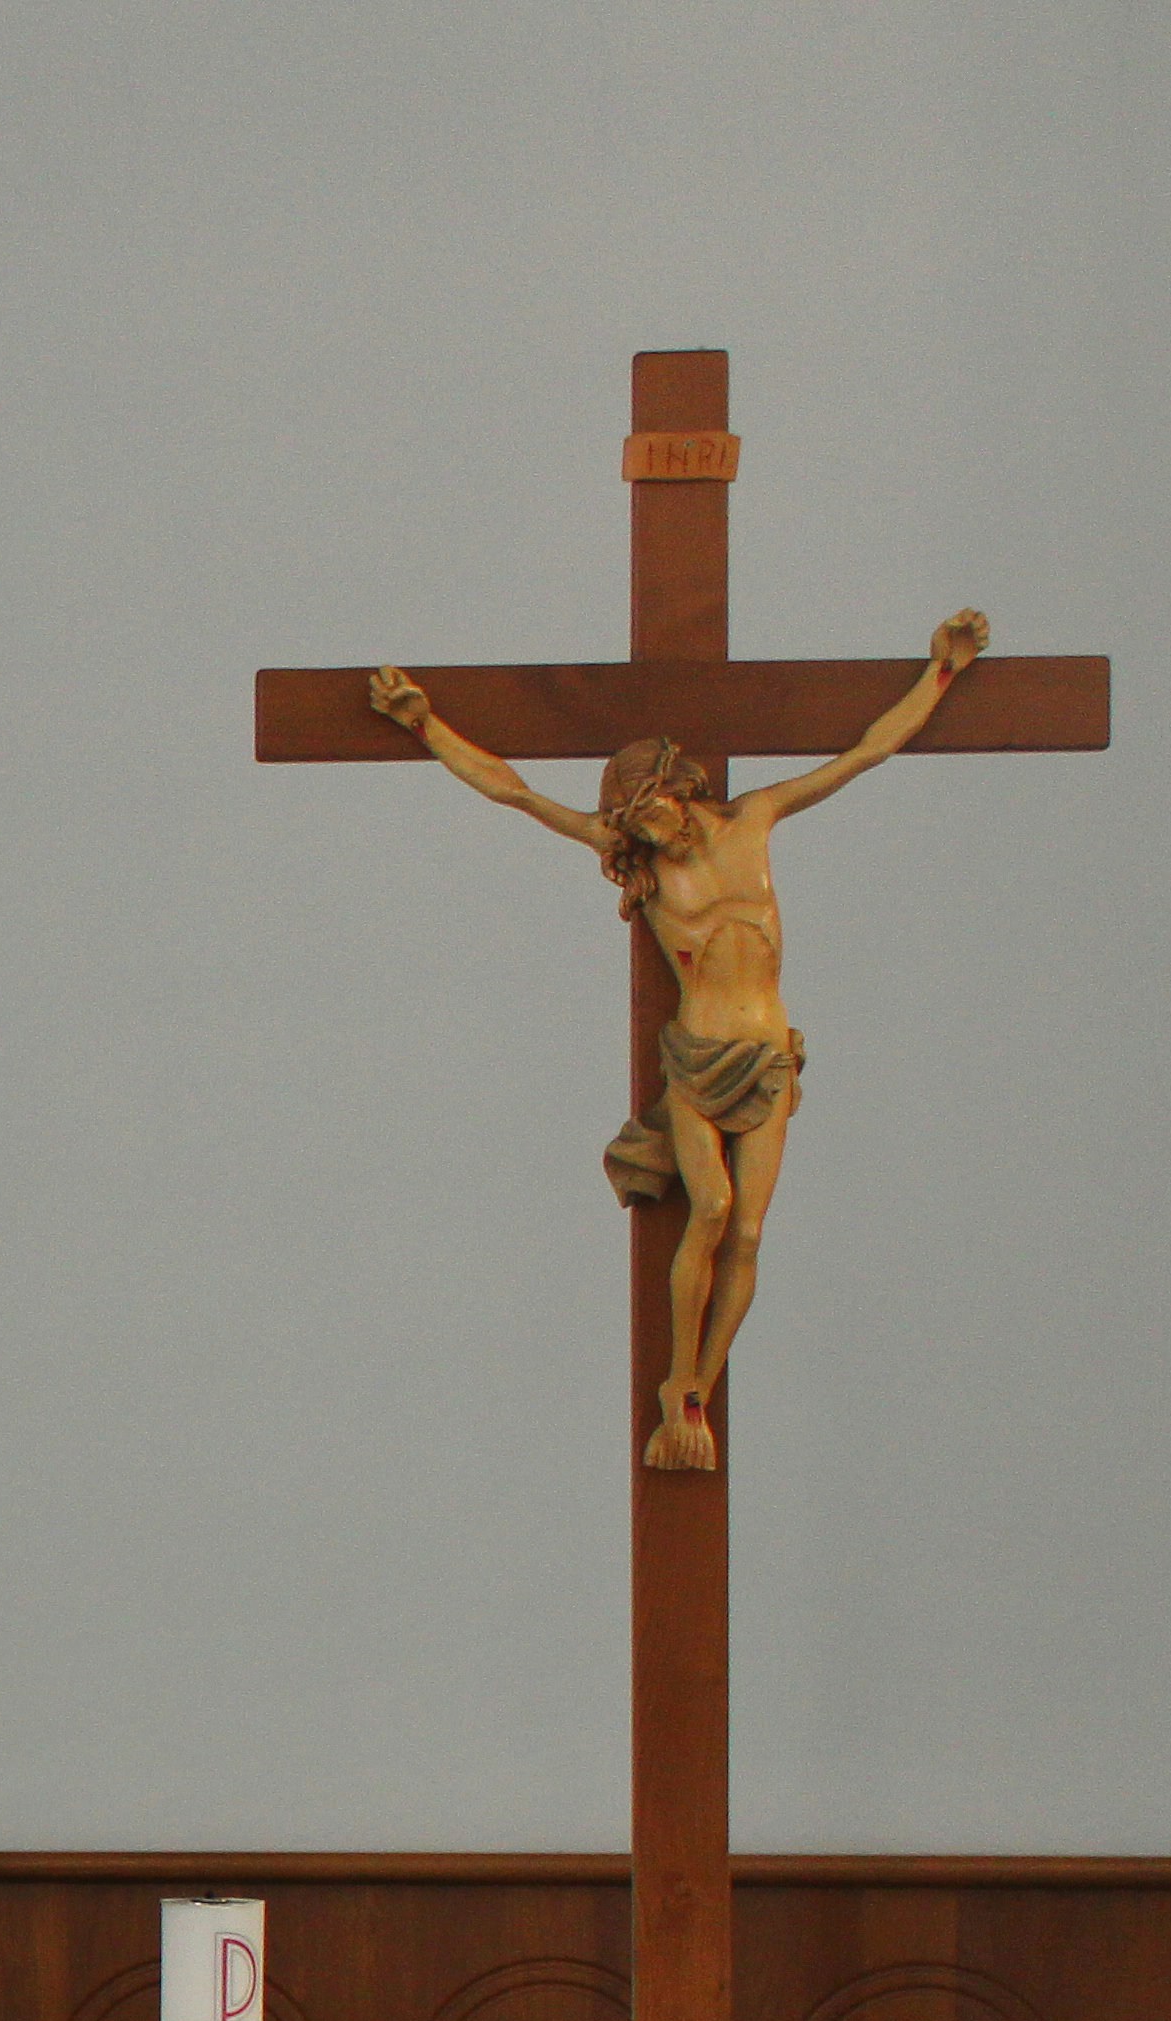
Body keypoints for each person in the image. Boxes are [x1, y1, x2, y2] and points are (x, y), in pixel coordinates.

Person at [371, 609, 987, 1468]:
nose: (640, 826)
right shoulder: (644, 865)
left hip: (767, 1058)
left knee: (749, 1234)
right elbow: (512, 789)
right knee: (714, 1209)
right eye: (626, 818)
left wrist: (944, 674)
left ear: (677, 785)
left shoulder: (757, 819)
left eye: (645, 807)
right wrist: (423, 723)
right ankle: (678, 1388)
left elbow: (865, 753)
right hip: (698, 1064)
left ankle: (691, 1386)